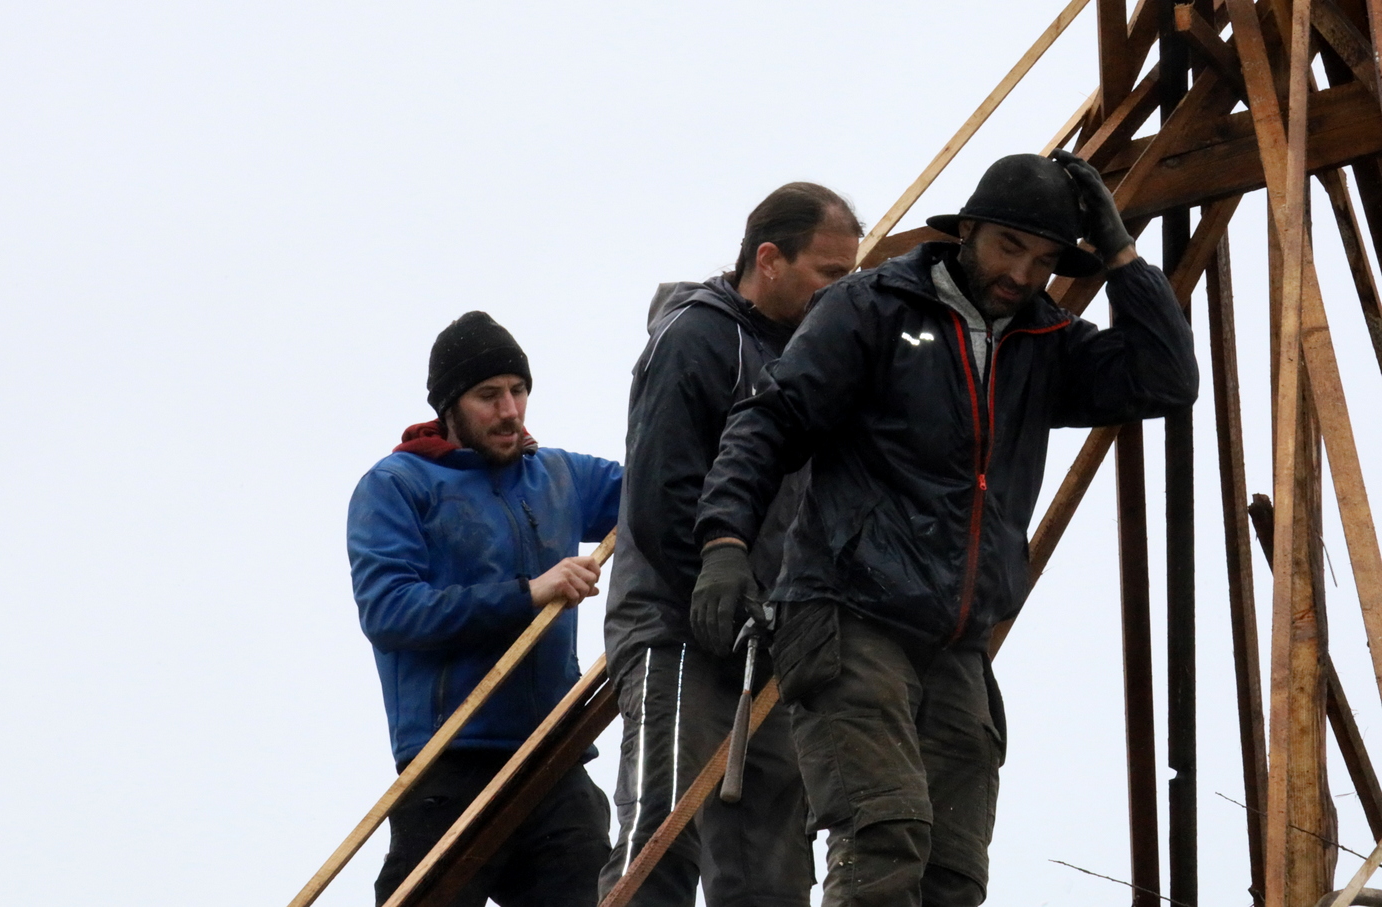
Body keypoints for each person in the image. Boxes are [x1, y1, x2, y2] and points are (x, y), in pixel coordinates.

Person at [691, 151, 1199, 907]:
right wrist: (725, 544)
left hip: (956, 641)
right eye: (1009, 247)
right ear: (967, 231)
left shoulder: (1045, 342)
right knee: (882, 840)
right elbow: (768, 423)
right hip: (849, 616)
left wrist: (1119, 250)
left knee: (953, 876)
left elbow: (1166, 378)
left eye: (1045, 259)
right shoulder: (871, 309)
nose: (1022, 273)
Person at [597, 183, 863, 907]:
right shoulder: (695, 337)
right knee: (661, 834)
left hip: (773, 636)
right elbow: (662, 494)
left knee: (771, 866)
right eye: (829, 273)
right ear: (769, 259)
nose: (841, 292)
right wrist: (718, 579)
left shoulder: (814, 358)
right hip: (678, 625)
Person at [348, 311, 621, 907]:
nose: (510, 410)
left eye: (518, 390)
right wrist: (528, 593)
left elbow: (661, 487)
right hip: (449, 762)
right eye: (488, 395)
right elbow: (391, 611)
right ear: (450, 407)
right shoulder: (397, 485)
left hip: (552, 755)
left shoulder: (558, 476)